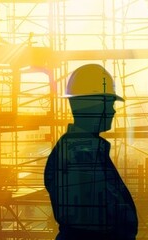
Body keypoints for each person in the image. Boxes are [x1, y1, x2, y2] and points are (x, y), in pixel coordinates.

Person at [44, 64, 138, 239]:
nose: (113, 110)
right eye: (108, 103)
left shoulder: (85, 151)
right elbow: (102, 220)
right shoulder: (76, 157)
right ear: (89, 105)